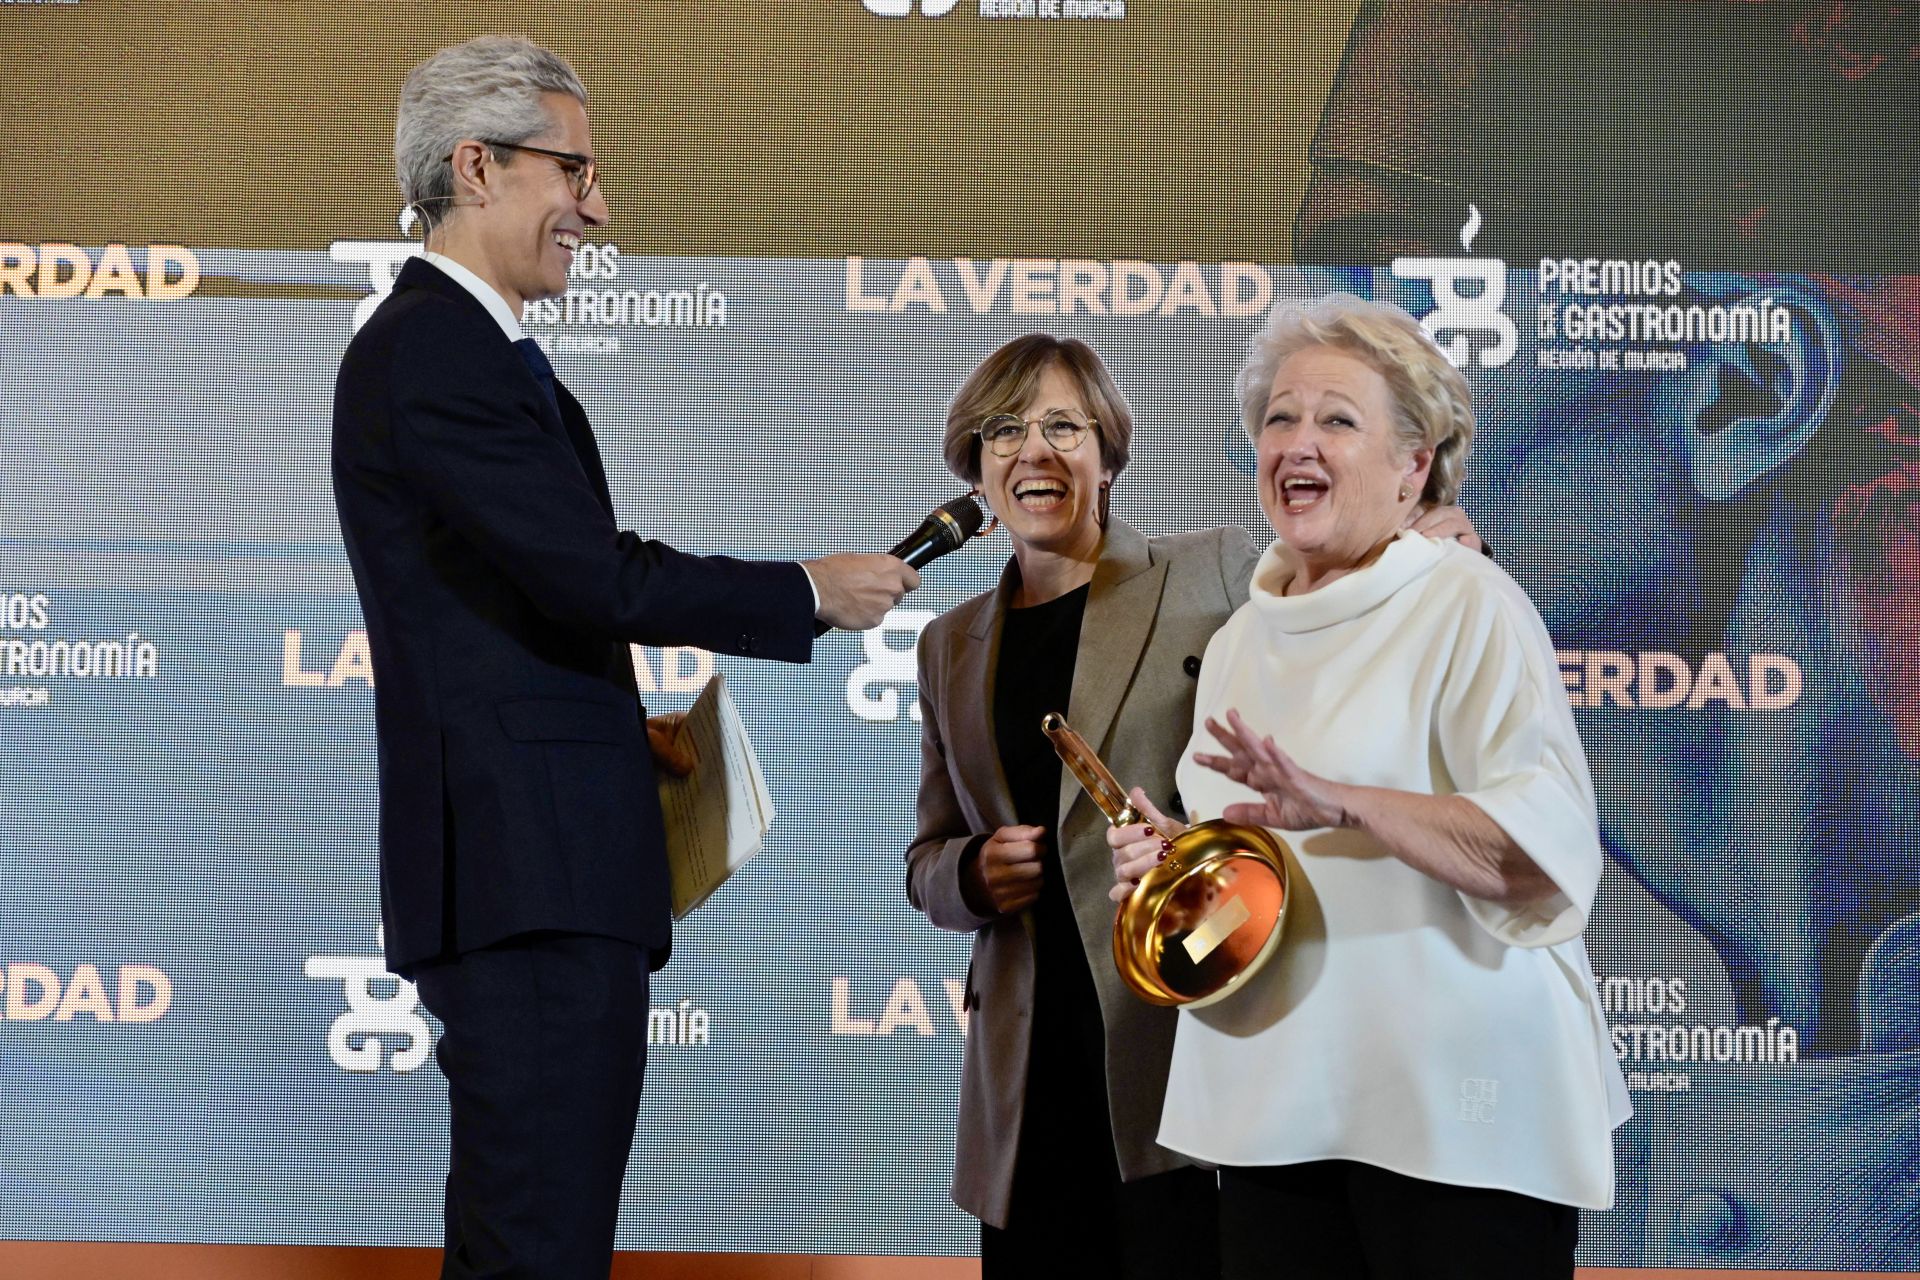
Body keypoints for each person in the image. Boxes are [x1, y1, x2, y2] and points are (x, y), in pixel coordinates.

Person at [330, 36, 915, 1280]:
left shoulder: (472, 355)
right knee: (536, 1250)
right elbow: (590, 573)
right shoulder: (436, 349)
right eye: (574, 170)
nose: (597, 207)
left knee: (540, 1241)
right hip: (523, 880)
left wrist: (611, 720)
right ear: (476, 167)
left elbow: (518, 600)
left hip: (543, 869)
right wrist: (806, 591)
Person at [906, 333, 1478, 1278]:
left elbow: (1340, 581)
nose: (1033, 451)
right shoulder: (947, 646)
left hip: (1182, 1039)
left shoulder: (1209, 572)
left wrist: (1440, 540)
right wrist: (969, 874)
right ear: (974, 463)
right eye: (1004, 430)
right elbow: (927, 857)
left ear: (1109, 453)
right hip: (1024, 1073)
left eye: (1063, 426)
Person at [1109, 294, 1629, 1279]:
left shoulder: (1469, 601)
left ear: (1413, 465)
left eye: (1338, 420)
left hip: (1459, 1120)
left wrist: (1346, 802)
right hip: (1276, 1109)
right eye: (1280, 417)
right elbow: (1270, 887)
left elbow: (1542, 851)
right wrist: (1181, 867)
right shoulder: (1239, 643)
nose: (1299, 441)